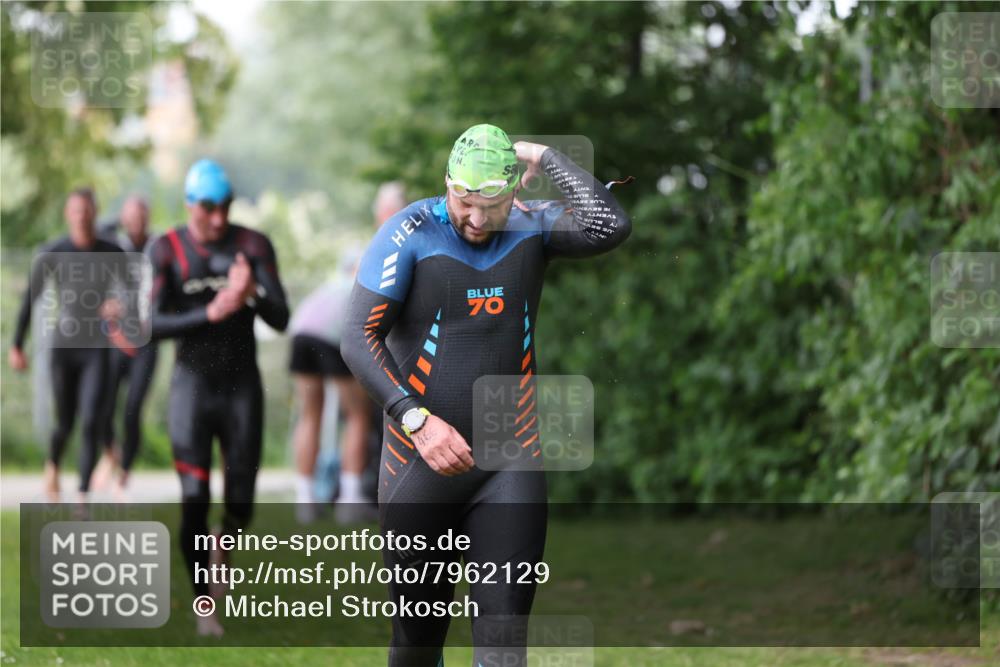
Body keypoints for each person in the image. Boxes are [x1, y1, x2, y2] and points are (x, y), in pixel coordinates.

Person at [341, 125, 631, 666]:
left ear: (513, 192)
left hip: (509, 454)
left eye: (490, 204)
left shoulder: (532, 226)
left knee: (502, 644)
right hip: (418, 464)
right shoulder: (411, 232)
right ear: (447, 185)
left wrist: (543, 155)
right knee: (418, 639)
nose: (476, 218)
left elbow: (609, 223)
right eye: (464, 201)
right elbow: (357, 337)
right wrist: (416, 421)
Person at [147, 159, 289, 637]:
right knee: (193, 497)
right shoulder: (165, 250)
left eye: (224, 207)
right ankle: (205, 604)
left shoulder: (252, 245)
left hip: (241, 390)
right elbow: (147, 326)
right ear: (190, 205)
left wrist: (250, 294)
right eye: (207, 208)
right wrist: (209, 311)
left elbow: (282, 317)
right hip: (192, 388)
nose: (217, 218)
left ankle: (223, 542)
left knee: (241, 505)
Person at [288, 182, 409, 525]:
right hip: (335, 329)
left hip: (304, 325)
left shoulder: (358, 247)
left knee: (310, 414)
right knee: (357, 414)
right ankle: (350, 499)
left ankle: (305, 500)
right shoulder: (393, 245)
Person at [8, 188, 128, 503]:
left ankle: (82, 497)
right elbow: (29, 299)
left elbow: (134, 293)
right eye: (76, 211)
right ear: (67, 214)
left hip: (96, 348)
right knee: (65, 421)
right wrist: (17, 345)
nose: (82, 217)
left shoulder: (112, 252)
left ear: (95, 212)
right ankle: (53, 467)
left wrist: (120, 305)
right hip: (64, 347)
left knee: (91, 419)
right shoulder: (54, 252)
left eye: (87, 210)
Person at [91, 196, 159, 496]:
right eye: (131, 217)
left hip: (147, 341)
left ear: (149, 217)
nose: (136, 222)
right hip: (116, 338)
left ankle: (124, 475)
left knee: (132, 409)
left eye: (141, 216)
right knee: (102, 407)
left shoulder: (159, 247)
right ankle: (110, 452)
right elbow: (94, 229)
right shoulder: (114, 244)